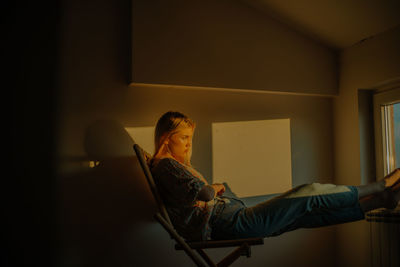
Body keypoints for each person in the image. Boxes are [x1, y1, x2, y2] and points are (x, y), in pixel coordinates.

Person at [149, 111, 400, 241]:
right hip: (232, 224)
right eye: (184, 138)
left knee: (305, 214)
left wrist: (217, 190)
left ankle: (380, 201)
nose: (189, 145)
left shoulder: (168, 166)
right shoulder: (165, 165)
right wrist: (215, 186)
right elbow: (203, 192)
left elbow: (197, 198)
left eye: (190, 139)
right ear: (166, 138)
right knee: (308, 192)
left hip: (233, 219)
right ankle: (381, 185)